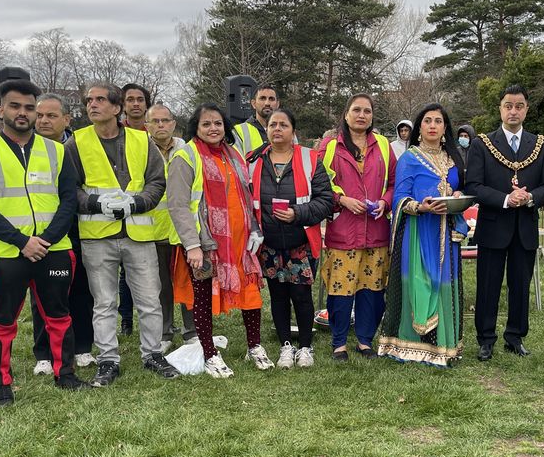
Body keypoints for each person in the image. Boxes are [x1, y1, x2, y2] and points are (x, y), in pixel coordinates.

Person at [0, 78, 87, 406]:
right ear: (0, 110)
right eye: (15, 106)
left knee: (59, 316)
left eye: (29, 107)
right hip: (6, 253)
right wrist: (21, 241)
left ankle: (66, 374)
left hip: (53, 249)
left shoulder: (56, 150)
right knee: (3, 320)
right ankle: (0, 386)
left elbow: (68, 200)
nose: (23, 113)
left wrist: (45, 239)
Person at [65, 82, 179, 386]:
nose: (92, 105)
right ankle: (108, 360)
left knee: (149, 299)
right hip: (97, 234)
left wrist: (138, 203)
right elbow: (69, 188)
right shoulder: (76, 142)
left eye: (100, 100)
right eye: (89, 100)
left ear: (117, 108)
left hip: (138, 233)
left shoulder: (142, 140)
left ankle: (153, 354)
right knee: (104, 302)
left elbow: (157, 181)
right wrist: (95, 203)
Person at [168, 103, 270, 378]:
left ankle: (254, 345)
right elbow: (178, 205)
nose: (213, 128)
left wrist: (254, 229)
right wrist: (192, 246)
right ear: (196, 128)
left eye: (217, 123)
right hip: (205, 244)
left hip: (240, 242)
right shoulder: (186, 156)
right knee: (202, 297)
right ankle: (209, 353)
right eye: (206, 124)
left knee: (251, 292)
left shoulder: (233, 154)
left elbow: (246, 195)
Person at [467, 84, 544, 360]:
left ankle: (515, 337)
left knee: (520, 285)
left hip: (525, 225)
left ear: (526, 109)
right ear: (500, 109)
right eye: (508, 106)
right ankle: (486, 338)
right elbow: (474, 186)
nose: (513, 111)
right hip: (494, 224)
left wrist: (529, 197)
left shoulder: (540, 145)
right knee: (488, 285)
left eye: (519, 106)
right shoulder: (482, 144)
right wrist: (506, 199)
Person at [379, 104, 468, 366]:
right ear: (419, 127)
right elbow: (399, 197)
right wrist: (420, 207)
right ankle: (409, 345)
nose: (432, 125)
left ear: (444, 128)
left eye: (438, 121)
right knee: (420, 281)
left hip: (446, 231)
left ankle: (443, 346)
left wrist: (457, 196)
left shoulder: (453, 159)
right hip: (418, 230)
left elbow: (458, 189)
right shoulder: (410, 158)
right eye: (427, 120)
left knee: (444, 282)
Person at [247, 109, 333, 368]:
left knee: (302, 296)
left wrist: (297, 213)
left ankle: (305, 347)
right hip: (269, 243)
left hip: (300, 242)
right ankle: (286, 345)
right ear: (266, 130)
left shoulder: (310, 159)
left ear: (293, 131)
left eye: (283, 125)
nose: (277, 129)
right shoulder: (253, 161)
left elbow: (326, 200)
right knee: (278, 296)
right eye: (273, 124)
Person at [319, 94, 396, 360]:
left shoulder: (383, 145)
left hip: (376, 230)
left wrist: (385, 202)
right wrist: (342, 200)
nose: (362, 115)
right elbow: (319, 183)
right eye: (356, 110)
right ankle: (339, 342)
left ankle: (365, 340)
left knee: (372, 290)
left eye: (367, 111)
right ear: (346, 114)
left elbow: (394, 182)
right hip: (344, 230)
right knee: (340, 289)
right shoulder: (331, 146)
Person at [31, 92, 95, 375]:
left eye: (51, 115)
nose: (43, 121)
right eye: (39, 115)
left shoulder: (77, 148)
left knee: (81, 290)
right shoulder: (26, 150)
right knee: (43, 295)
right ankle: (44, 353)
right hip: (41, 234)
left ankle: (82, 347)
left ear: (66, 119)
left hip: (78, 229)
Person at [145, 102, 195, 350]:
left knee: (188, 283)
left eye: (165, 120)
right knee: (160, 287)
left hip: (182, 230)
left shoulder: (187, 150)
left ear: (174, 124)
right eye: (155, 121)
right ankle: (165, 333)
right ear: (147, 126)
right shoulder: (141, 150)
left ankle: (191, 331)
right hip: (152, 230)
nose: (161, 125)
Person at [116, 83, 152, 335]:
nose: (136, 104)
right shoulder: (115, 134)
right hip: (119, 211)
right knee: (125, 273)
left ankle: (159, 321)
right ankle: (126, 319)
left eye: (140, 99)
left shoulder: (153, 133)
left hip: (151, 211)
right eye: (130, 99)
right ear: (122, 105)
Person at [232, 84, 278, 159]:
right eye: (262, 98)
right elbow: (235, 163)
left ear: (277, 104)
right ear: (253, 104)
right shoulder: (239, 131)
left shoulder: (287, 130)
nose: (267, 103)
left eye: (271, 99)